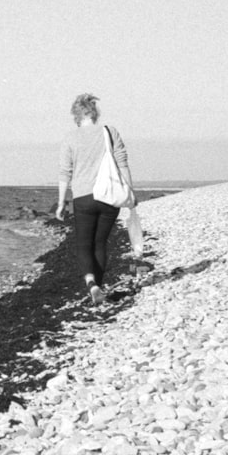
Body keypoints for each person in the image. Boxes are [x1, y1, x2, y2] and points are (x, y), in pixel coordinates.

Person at [55, 93, 134, 303]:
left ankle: (91, 284)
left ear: (76, 115)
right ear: (95, 112)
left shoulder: (70, 138)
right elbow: (122, 163)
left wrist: (61, 202)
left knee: (83, 244)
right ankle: (98, 288)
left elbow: (65, 173)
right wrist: (130, 193)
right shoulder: (110, 132)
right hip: (109, 196)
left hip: (83, 197)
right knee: (100, 243)